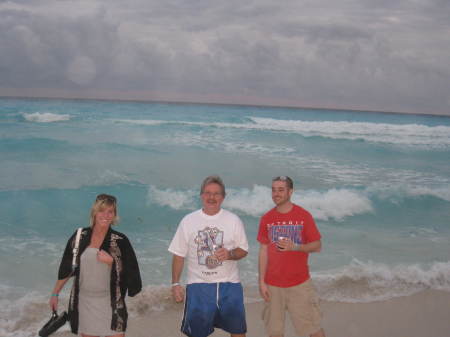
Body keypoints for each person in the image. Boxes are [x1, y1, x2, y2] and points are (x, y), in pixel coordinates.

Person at [49, 194, 142, 337]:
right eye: (102, 210)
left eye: (110, 211)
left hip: (112, 303)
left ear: (114, 215)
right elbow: (66, 268)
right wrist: (55, 293)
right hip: (85, 302)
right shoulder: (80, 236)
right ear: (94, 212)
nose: (106, 215)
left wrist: (112, 262)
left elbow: (132, 273)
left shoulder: (120, 240)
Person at [169, 175, 249, 337]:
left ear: (223, 197)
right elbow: (178, 254)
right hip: (199, 286)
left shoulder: (233, 220)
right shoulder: (188, 221)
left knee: (238, 331)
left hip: (230, 285)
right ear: (201, 195)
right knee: (197, 334)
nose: (211, 197)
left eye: (216, 193)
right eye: (207, 193)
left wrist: (229, 254)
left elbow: (243, 250)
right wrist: (176, 283)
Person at [257, 176, 325, 337]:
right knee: (274, 333)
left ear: (290, 192)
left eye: (281, 190)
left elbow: (317, 245)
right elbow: (263, 250)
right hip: (273, 286)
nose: (276, 194)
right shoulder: (267, 218)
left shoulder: (303, 216)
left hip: (299, 284)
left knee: (312, 330)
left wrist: (296, 247)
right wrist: (261, 282)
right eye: (273, 190)